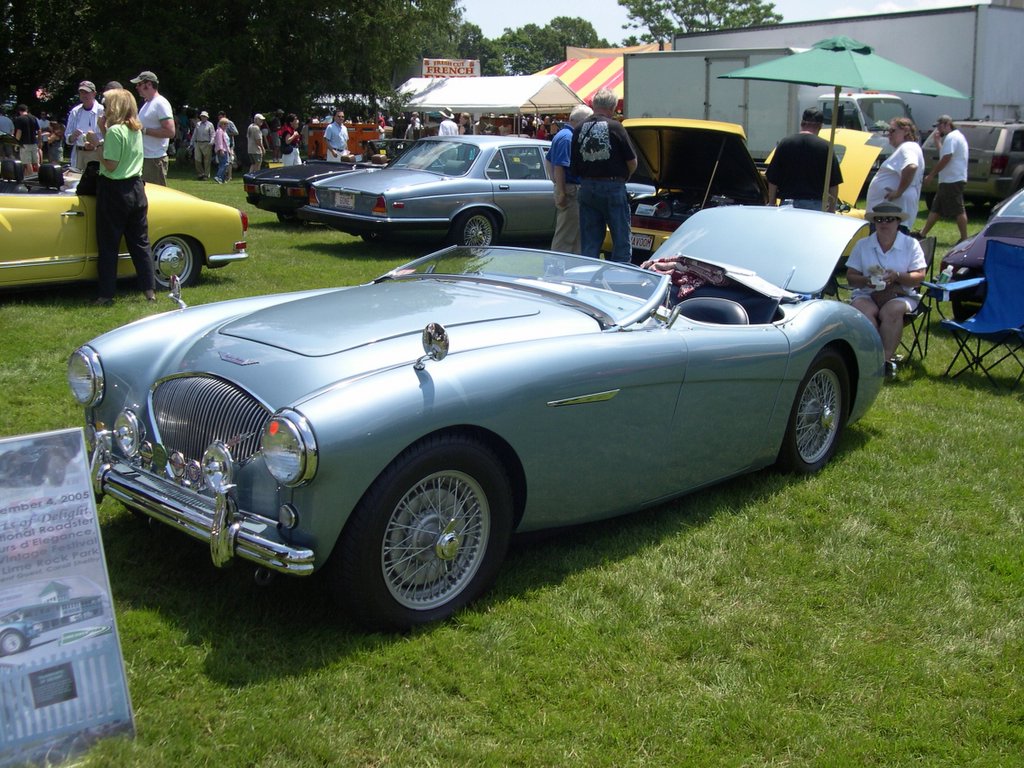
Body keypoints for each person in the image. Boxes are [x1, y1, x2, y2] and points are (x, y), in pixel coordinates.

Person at [845, 204, 927, 376]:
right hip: (867, 293)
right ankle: (872, 358)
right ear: (874, 222)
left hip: (901, 294)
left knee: (892, 310)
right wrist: (866, 280)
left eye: (889, 219)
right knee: (865, 311)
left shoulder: (910, 244)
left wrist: (897, 276)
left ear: (898, 222)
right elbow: (851, 277)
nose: (884, 223)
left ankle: (883, 361)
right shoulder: (863, 244)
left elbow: (919, 276)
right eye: (879, 219)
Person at [93, 88, 156, 306]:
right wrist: (103, 131)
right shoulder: (134, 130)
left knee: (108, 244)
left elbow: (111, 164)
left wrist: (96, 146)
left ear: (114, 106)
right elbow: (121, 152)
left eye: (106, 104)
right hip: (136, 188)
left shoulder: (115, 131)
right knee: (140, 243)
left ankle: (106, 294)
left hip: (114, 190)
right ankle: (150, 291)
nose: (104, 108)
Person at [570, 88, 638, 262]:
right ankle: (620, 273)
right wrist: (625, 177)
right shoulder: (616, 127)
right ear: (613, 107)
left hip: (587, 187)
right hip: (613, 186)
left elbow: (573, 165)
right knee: (621, 240)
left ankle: (588, 273)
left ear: (594, 105)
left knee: (590, 242)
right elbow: (632, 162)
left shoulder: (579, 129)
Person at [765, 108, 843, 212]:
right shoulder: (826, 147)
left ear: (802, 123)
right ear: (820, 126)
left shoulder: (785, 143)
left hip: (788, 204)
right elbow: (833, 183)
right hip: (815, 205)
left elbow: (773, 178)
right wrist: (831, 209)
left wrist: (772, 202)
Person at [547, 105, 593, 254]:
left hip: (567, 188)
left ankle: (571, 265)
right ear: (582, 121)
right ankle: (556, 265)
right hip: (570, 190)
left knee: (574, 233)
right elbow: (559, 166)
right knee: (566, 235)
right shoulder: (568, 138)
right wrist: (561, 192)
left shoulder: (562, 135)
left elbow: (548, 160)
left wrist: (555, 183)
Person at [866, 117, 925, 232]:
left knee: (889, 242)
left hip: (892, 215)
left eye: (892, 131)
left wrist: (898, 192)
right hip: (888, 214)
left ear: (906, 131)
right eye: (888, 131)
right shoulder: (906, 148)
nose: (889, 134)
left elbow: (911, 166)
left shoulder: (908, 146)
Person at [920, 115, 969, 241]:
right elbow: (944, 154)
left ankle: (964, 238)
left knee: (958, 210)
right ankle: (922, 234)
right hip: (949, 179)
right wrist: (937, 142)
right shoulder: (954, 137)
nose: (938, 129)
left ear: (947, 124)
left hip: (952, 180)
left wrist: (931, 175)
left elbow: (946, 158)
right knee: (936, 209)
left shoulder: (952, 137)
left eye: (939, 126)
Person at [130, 71, 175, 186]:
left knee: (156, 195)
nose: (137, 87)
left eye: (139, 84)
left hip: (155, 159)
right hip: (145, 158)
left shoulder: (160, 103)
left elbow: (170, 132)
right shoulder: (147, 103)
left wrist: (144, 130)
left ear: (149, 84)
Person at [65, 81, 105, 171]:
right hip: (79, 153)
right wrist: (72, 136)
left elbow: (107, 135)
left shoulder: (102, 110)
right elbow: (67, 138)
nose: (84, 95)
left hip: (96, 153)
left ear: (94, 93)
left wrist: (96, 143)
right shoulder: (75, 111)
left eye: (87, 92)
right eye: (81, 92)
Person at [13, 104, 40, 173]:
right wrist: (40, 141)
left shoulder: (19, 119)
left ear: (19, 111)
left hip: (24, 144)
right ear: (27, 110)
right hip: (34, 143)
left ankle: (31, 177)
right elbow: (39, 130)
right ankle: (42, 175)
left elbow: (19, 132)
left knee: (27, 163)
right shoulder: (33, 118)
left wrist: (16, 143)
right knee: (36, 162)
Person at [190, 110, 215, 179]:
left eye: (204, 116)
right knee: (197, 159)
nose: (203, 117)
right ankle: (201, 174)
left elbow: (213, 134)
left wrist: (211, 142)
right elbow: (195, 134)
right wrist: (191, 143)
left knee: (207, 160)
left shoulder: (210, 124)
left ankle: (206, 175)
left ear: (207, 117)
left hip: (207, 143)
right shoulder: (198, 124)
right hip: (198, 143)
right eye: (202, 116)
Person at [217, 111, 238, 180]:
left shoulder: (230, 123)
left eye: (221, 117)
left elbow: (236, 132)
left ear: (224, 116)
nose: (220, 119)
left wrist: (226, 133)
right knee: (223, 161)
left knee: (230, 160)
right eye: (219, 118)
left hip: (230, 144)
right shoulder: (219, 123)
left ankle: (229, 176)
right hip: (222, 145)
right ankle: (223, 176)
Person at [213, 117, 231, 183]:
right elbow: (219, 141)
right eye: (226, 124)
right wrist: (221, 150)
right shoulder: (219, 131)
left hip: (225, 150)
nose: (227, 126)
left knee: (223, 164)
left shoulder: (223, 131)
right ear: (222, 124)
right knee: (224, 164)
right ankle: (218, 176)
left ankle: (222, 179)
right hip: (222, 150)